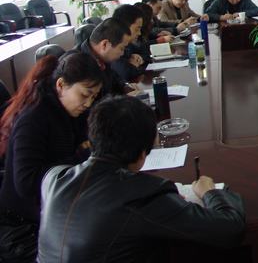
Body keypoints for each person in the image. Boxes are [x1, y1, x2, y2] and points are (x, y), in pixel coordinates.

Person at [38, 95, 246, 262]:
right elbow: (230, 230)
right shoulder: (141, 196)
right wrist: (210, 192)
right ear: (142, 155)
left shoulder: (54, 178)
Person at [0, 53, 102, 262]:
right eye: (85, 95)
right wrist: (79, 156)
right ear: (61, 85)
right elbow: (27, 183)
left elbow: (88, 145)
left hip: (55, 210)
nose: (88, 103)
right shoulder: (33, 118)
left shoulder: (70, 111)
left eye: (93, 97)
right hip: (24, 228)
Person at [70, 18, 131, 96]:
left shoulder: (102, 59)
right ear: (105, 44)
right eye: (122, 48)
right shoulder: (76, 64)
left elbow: (115, 80)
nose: (122, 53)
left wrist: (125, 86)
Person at [111, 4, 147, 82]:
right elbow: (126, 73)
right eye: (137, 29)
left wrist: (139, 58)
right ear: (124, 26)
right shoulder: (113, 43)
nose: (139, 33)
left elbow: (146, 54)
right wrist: (133, 65)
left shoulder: (128, 43)